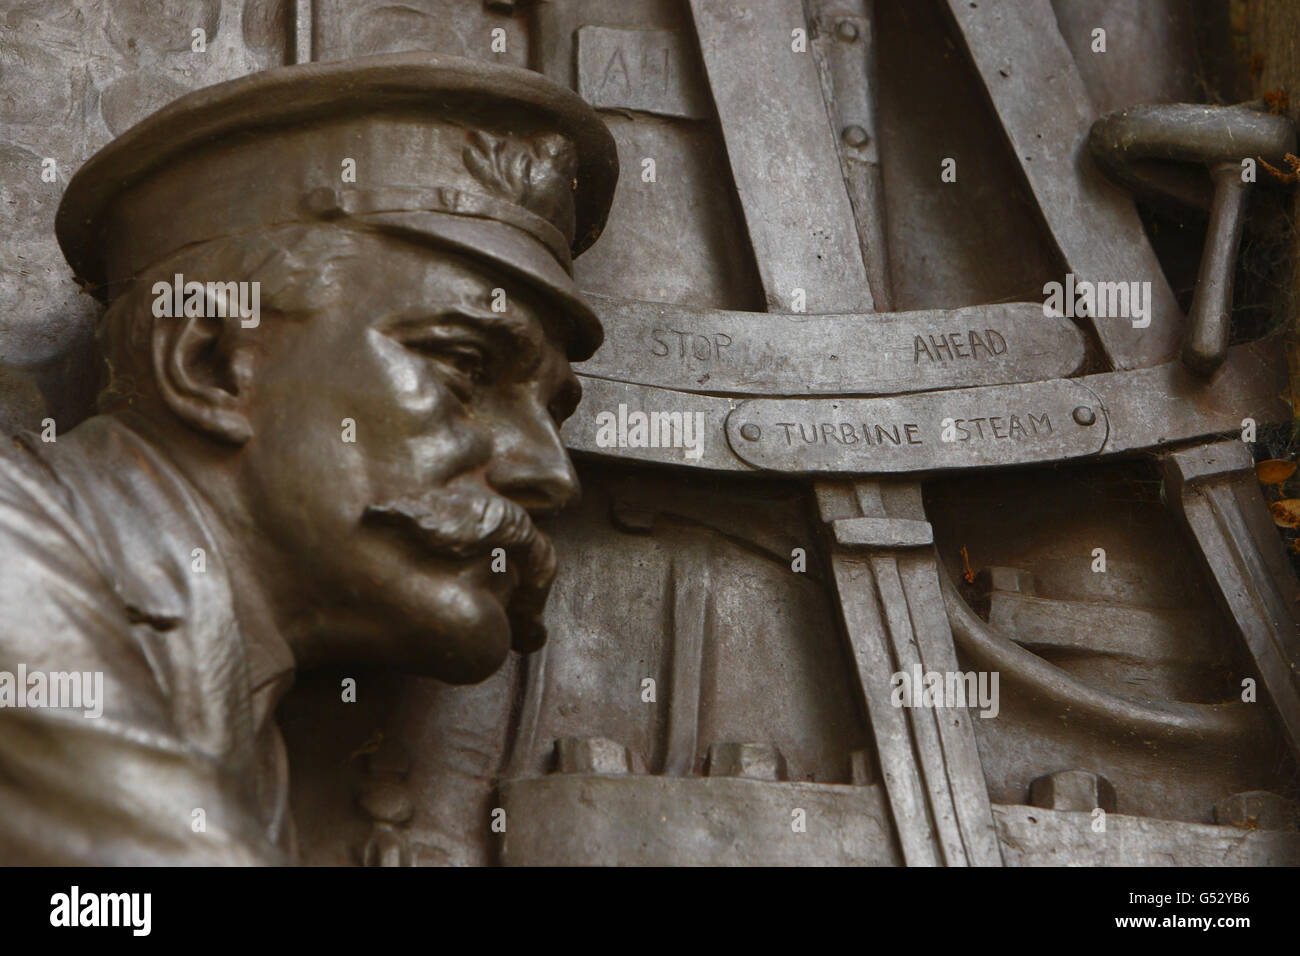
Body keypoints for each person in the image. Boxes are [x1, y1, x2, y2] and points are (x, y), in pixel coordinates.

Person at [0, 52, 618, 864]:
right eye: (465, 366)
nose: (550, 472)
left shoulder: (244, 724)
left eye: (551, 410)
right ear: (213, 362)